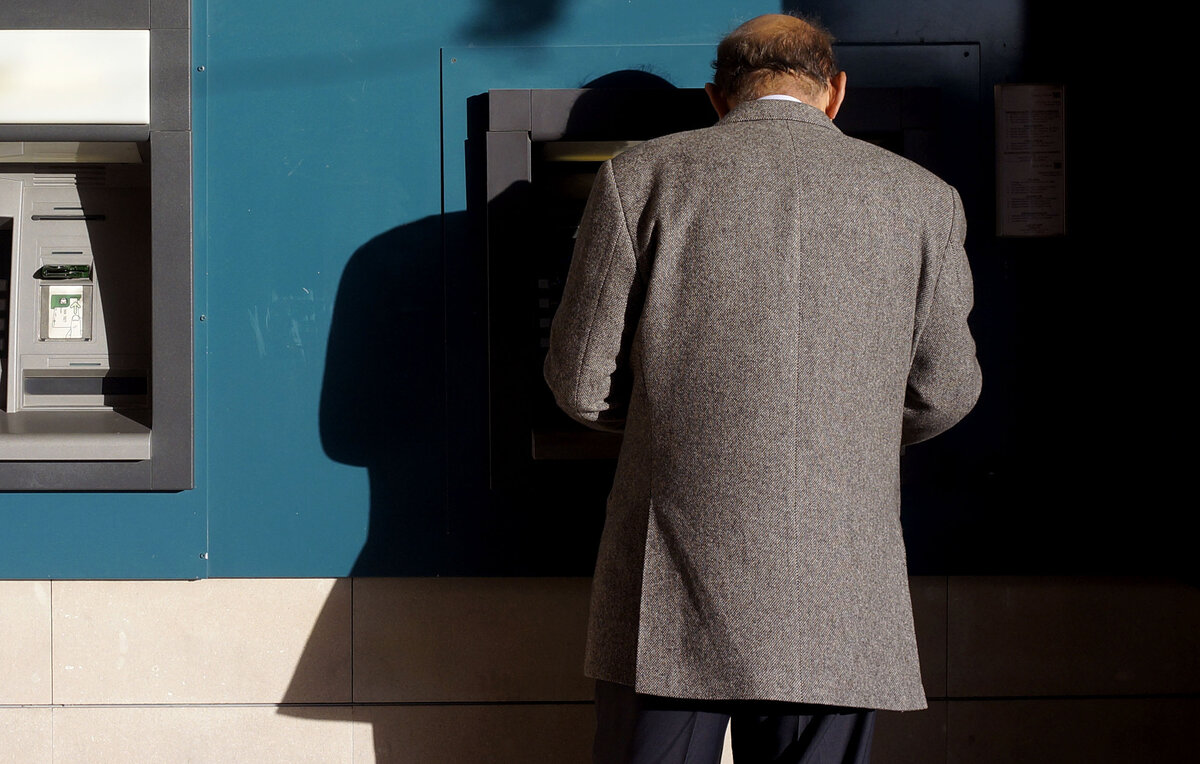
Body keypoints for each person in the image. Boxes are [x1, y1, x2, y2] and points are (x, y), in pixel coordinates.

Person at [544, 13, 981, 764]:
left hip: (672, 579)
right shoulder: (923, 199)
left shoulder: (640, 176)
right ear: (835, 91)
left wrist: (670, 421)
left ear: (717, 96)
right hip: (840, 579)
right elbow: (947, 391)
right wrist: (846, 429)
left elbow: (582, 383)